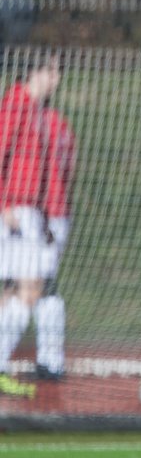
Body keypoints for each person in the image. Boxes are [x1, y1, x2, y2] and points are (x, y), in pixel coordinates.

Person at [0, 53, 62, 399]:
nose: (58, 79)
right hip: (15, 213)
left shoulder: (37, 110)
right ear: (39, 72)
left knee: (13, 292)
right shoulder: (17, 102)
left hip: (29, 212)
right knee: (29, 290)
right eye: (54, 71)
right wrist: (4, 203)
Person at [30, 100, 76, 382]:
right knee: (43, 284)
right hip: (58, 212)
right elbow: (71, 168)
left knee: (37, 286)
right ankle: (49, 358)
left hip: (42, 212)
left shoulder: (34, 123)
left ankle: (51, 359)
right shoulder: (61, 123)